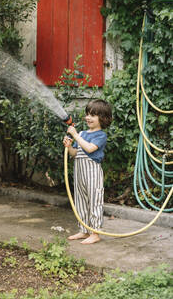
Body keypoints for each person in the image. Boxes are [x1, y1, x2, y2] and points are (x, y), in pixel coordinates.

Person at [63, 99, 112, 245]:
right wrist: (69, 146)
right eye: (88, 114)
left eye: (93, 115)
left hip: (93, 173)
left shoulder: (101, 135)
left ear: (102, 118)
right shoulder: (83, 133)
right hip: (80, 172)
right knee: (81, 200)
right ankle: (84, 230)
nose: (88, 117)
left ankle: (95, 232)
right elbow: (75, 153)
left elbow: (90, 149)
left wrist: (75, 135)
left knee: (94, 201)